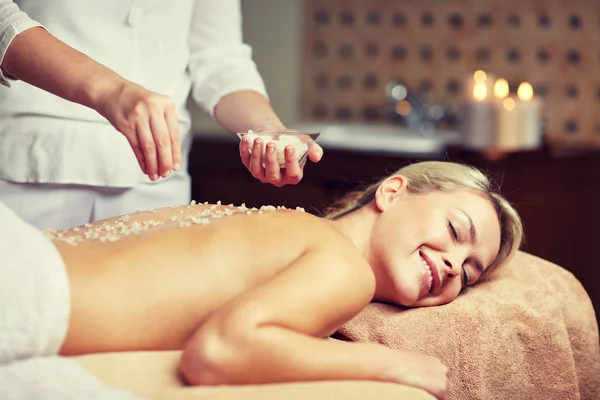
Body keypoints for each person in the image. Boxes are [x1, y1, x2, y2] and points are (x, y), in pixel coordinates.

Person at [0, 161, 523, 400]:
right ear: (392, 192)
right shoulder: (344, 268)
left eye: (470, 273)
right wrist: (404, 366)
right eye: (456, 231)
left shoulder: (271, 221)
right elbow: (220, 351)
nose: (455, 265)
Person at [0, 0, 323, 231]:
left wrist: (267, 129)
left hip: (158, 185)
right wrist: (110, 90)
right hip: (27, 173)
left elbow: (218, 58)